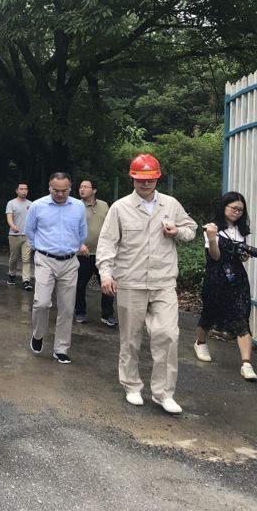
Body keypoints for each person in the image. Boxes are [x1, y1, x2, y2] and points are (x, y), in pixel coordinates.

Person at [96, 154, 197, 414]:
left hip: (163, 281)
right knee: (131, 337)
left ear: (157, 179)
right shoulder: (120, 208)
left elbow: (191, 229)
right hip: (130, 281)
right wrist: (106, 274)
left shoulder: (170, 204)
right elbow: (107, 243)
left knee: (168, 334)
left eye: (150, 179)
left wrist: (177, 231)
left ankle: (164, 393)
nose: (146, 184)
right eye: (141, 179)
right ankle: (131, 385)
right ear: (132, 178)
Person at [25, 173, 87, 364]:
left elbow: (82, 231)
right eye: (56, 190)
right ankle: (38, 334)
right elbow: (30, 231)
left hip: (70, 261)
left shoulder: (78, 206)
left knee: (67, 307)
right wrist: (41, 248)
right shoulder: (37, 206)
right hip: (45, 259)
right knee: (42, 303)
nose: (60, 194)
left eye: (64, 190)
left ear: (70, 188)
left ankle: (61, 348)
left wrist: (74, 247)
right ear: (49, 187)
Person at [195, 192, 257, 381]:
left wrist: (243, 256)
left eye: (241, 210)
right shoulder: (212, 228)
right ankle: (200, 342)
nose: (237, 212)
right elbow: (215, 256)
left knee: (241, 315)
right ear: (224, 207)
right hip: (216, 276)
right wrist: (212, 238)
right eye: (234, 208)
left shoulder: (241, 230)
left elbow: (237, 256)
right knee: (210, 312)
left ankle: (246, 364)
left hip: (237, 278)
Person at [74, 179, 117, 326]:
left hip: (103, 254)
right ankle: (80, 311)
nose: (82, 189)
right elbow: (70, 227)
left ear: (94, 190)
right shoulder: (75, 206)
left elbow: (111, 226)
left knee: (107, 283)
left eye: (86, 187)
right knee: (80, 285)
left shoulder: (104, 205)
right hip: (83, 254)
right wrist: (79, 244)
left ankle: (108, 314)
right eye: (81, 187)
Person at [5, 182, 33, 290]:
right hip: (14, 235)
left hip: (27, 236)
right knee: (14, 258)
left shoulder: (31, 204)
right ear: (17, 190)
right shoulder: (11, 203)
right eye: (21, 189)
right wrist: (13, 226)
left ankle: (26, 281)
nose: (24, 191)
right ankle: (12, 275)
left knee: (26, 259)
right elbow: (9, 217)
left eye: (26, 189)